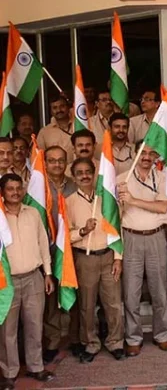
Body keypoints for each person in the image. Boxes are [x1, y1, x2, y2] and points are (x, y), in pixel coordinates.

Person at [118, 143, 167, 356]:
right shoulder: (121, 179)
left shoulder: (161, 178)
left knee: (159, 290)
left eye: (152, 153)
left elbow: (162, 206)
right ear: (135, 153)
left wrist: (133, 201)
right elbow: (115, 212)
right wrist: (127, 202)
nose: (147, 157)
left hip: (156, 237)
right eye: (143, 152)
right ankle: (133, 338)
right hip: (131, 238)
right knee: (131, 292)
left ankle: (162, 335)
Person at [66, 159, 124, 363]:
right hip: (85, 259)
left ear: (94, 174)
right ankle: (90, 343)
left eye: (88, 172)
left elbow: (117, 228)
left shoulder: (106, 199)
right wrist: (83, 231)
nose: (84, 176)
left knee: (114, 304)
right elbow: (65, 235)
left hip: (108, 256)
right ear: (74, 177)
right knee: (87, 305)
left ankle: (115, 342)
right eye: (79, 173)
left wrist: (118, 258)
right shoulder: (69, 202)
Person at [0, 174, 55, 386]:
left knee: (34, 325)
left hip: (34, 277)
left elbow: (43, 243)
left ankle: (36, 367)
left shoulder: (33, 213)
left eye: (18, 188)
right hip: (7, 282)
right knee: (8, 331)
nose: (15, 192)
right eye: (10, 189)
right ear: (3, 192)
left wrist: (47, 273)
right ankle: (9, 373)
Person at [43, 146, 80, 364]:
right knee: (50, 299)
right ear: (45, 163)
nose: (57, 164)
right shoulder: (36, 188)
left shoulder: (74, 186)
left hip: (70, 248)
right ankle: (52, 342)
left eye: (60, 160)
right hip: (47, 250)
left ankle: (75, 338)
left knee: (74, 293)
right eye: (52, 161)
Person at [37, 95, 74, 162]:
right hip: (56, 170)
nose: (59, 110)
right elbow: (40, 157)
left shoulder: (80, 125)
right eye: (55, 108)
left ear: (68, 108)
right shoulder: (44, 132)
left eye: (62, 106)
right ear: (51, 111)